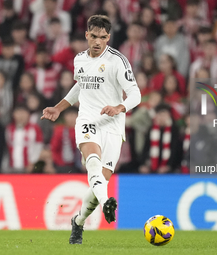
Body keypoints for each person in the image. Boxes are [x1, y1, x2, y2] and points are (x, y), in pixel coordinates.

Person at [40, 15, 141, 244]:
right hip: (87, 120)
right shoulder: (79, 60)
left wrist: (120, 107)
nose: (97, 42)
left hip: (113, 125)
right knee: (92, 162)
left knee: (98, 184)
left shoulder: (118, 61)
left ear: (108, 37)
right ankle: (107, 203)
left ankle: (78, 221)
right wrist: (59, 107)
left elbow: (136, 94)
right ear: (87, 34)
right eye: (93, 36)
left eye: (103, 37)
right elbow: (80, 86)